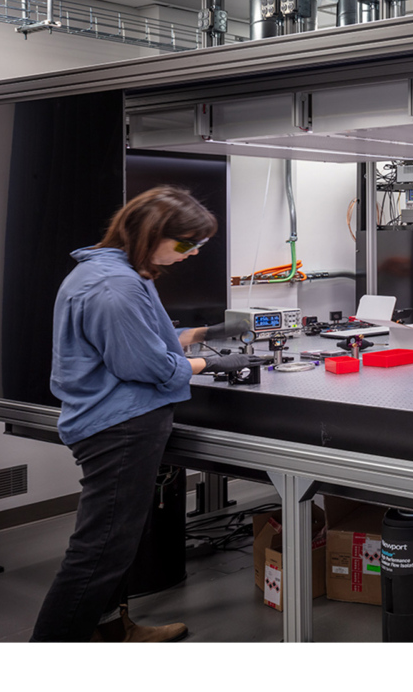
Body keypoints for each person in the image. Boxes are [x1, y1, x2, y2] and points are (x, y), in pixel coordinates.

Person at [31, 186, 267, 642]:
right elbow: (147, 365)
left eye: (199, 244)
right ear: (151, 233)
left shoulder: (112, 271)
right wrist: (211, 363)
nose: (193, 253)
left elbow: (147, 337)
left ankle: (113, 631)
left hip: (120, 421)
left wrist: (206, 333)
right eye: (187, 243)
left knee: (117, 545)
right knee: (99, 552)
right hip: (118, 429)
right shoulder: (115, 287)